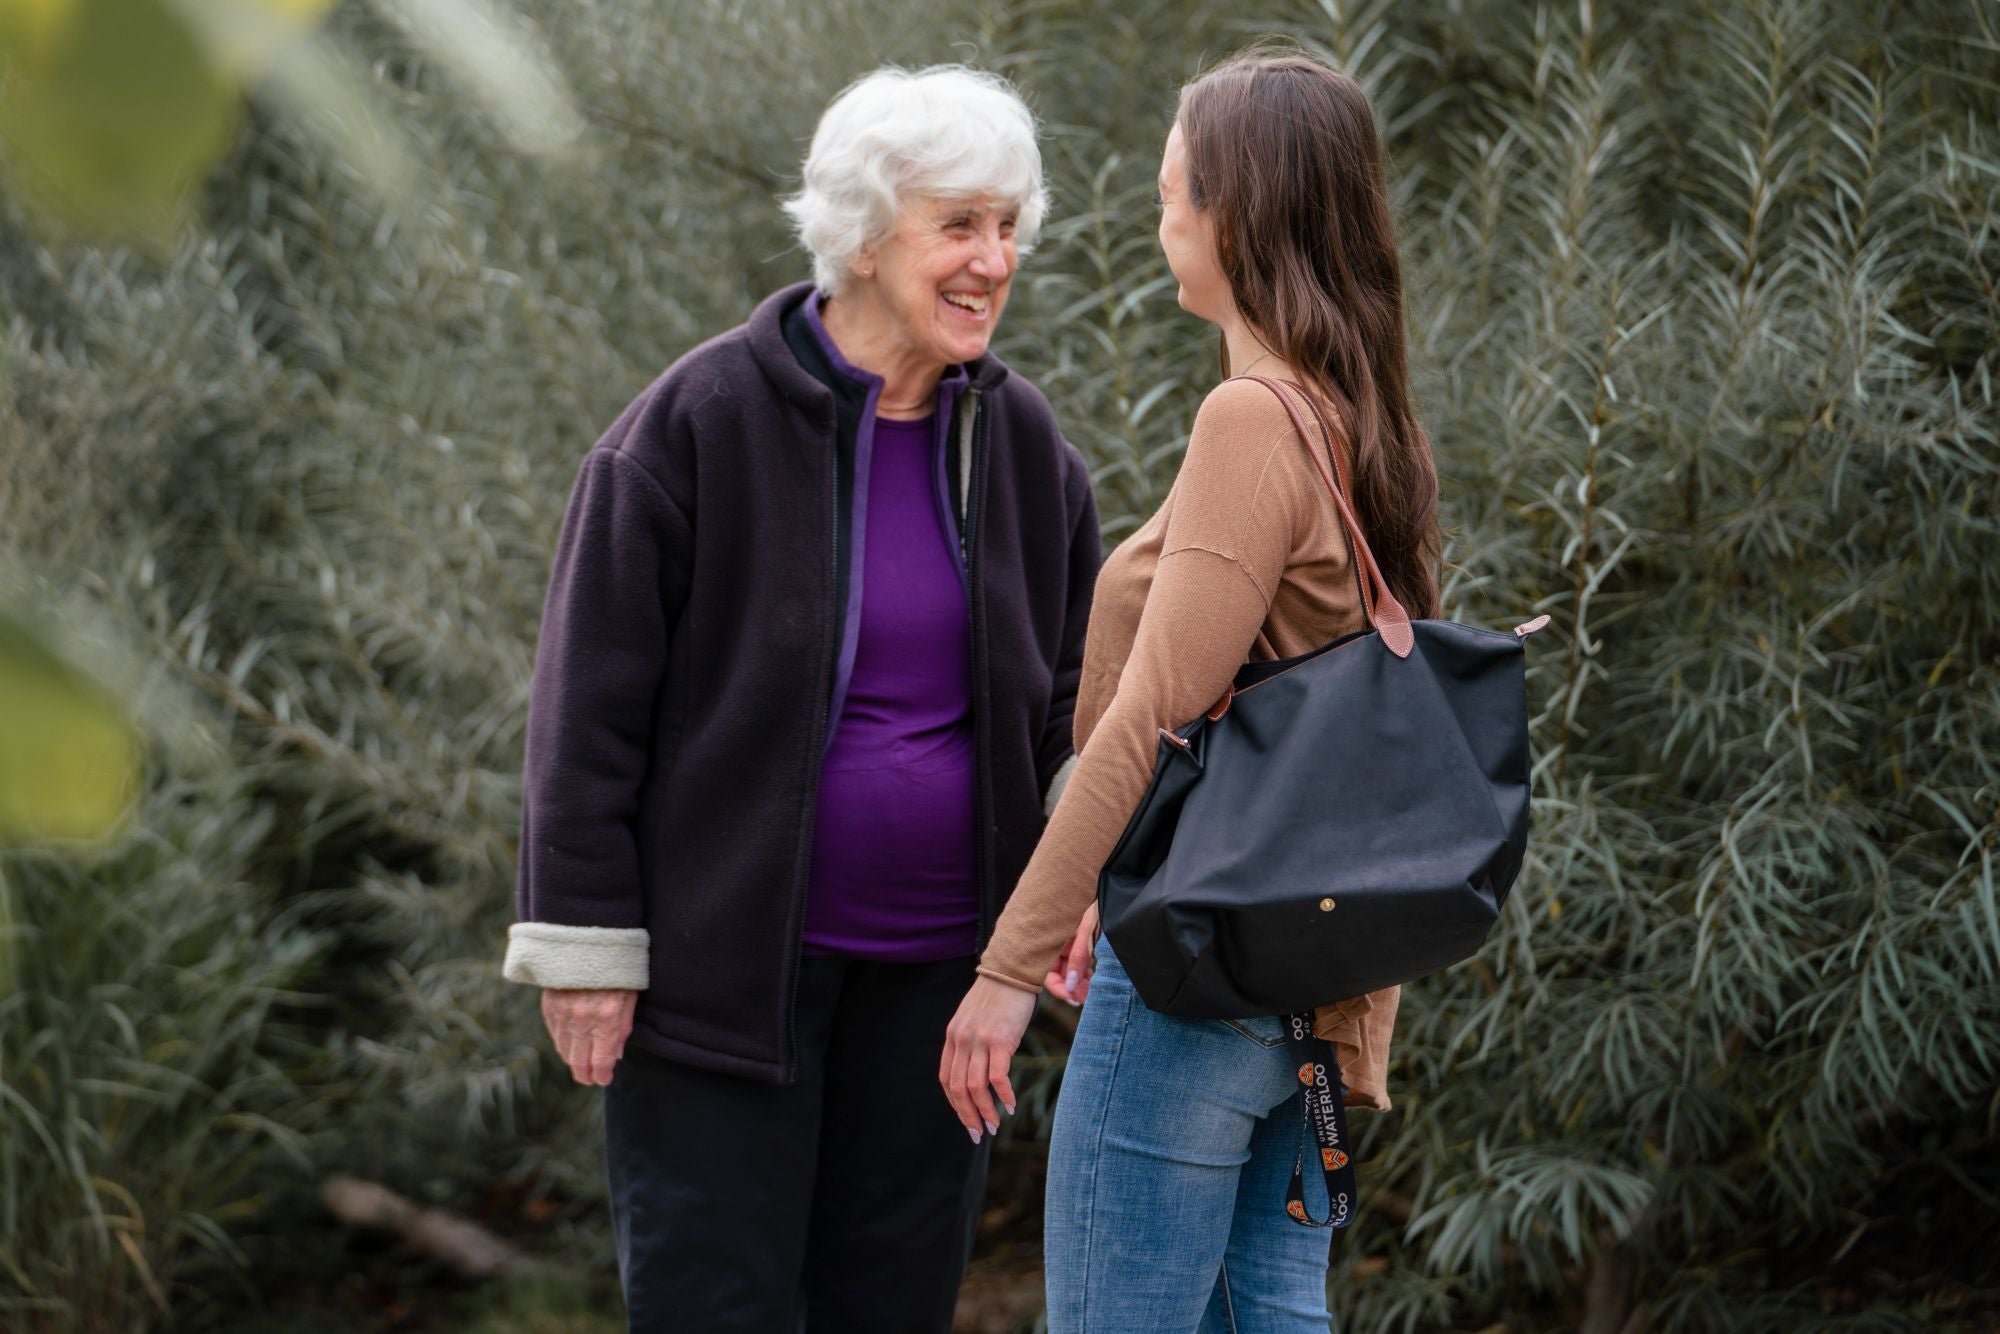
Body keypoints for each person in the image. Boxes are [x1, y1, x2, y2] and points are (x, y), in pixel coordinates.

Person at [503, 65, 1099, 1333]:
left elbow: (1068, 700)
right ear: (865, 233)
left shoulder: (1024, 445)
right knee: (714, 1304)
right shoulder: (690, 427)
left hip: (945, 988)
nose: (994, 260)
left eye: (1008, 227)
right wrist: (587, 946)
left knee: (889, 1306)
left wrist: (1072, 884)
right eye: (959, 225)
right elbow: (585, 710)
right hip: (722, 990)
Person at [939, 44, 1444, 1332]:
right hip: (1305, 985)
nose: (1159, 222)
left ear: (1235, 215)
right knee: (1266, 1308)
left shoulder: (1253, 424)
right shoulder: (1354, 415)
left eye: (1172, 196)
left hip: (1199, 977)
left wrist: (1007, 961)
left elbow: (1147, 718)